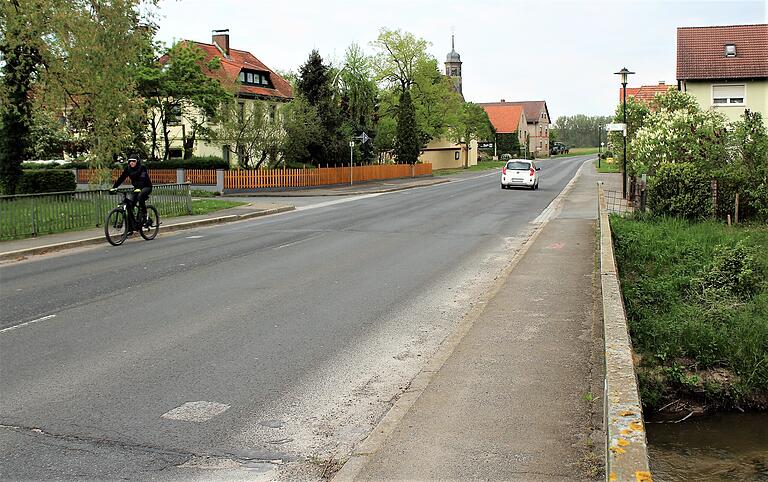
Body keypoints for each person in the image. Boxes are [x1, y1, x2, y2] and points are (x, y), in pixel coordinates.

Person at [110, 154, 152, 227]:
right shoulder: (128, 168)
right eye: (130, 161)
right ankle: (131, 228)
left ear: (137, 162)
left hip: (146, 186)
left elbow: (142, 178)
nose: (131, 163)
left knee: (140, 196)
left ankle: (145, 217)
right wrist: (114, 187)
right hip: (137, 188)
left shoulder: (142, 168)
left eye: (133, 161)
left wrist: (139, 188)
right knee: (130, 205)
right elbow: (122, 178)